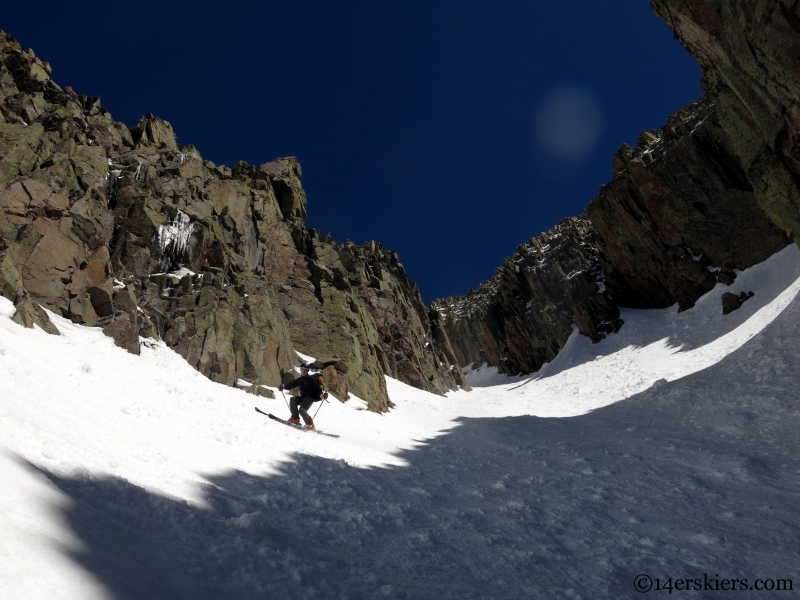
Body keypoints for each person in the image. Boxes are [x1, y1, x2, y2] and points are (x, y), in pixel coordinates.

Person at [278, 363, 323, 430]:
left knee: (302, 410)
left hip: (310, 399)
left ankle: (310, 425)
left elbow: (317, 388)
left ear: (307, 371)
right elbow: (292, 384)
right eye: (302, 370)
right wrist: (283, 386)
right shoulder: (301, 379)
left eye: (305, 370)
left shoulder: (311, 379)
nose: (303, 372)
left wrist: (322, 395)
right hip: (303, 398)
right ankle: (295, 419)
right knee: (293, 399)